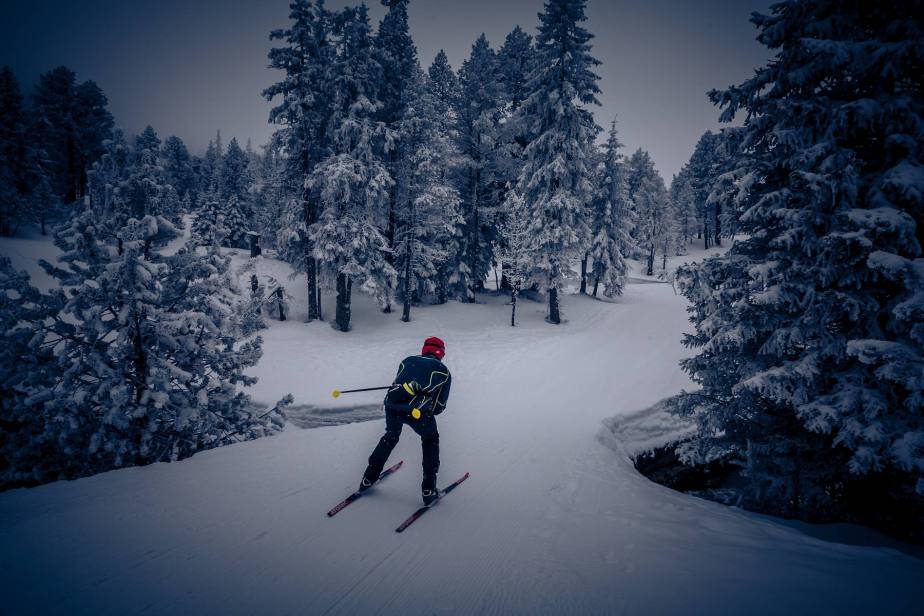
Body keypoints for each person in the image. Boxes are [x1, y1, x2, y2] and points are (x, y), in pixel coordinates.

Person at [360, 336, 452, 505]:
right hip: (418, 413)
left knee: (391, 436)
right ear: (441, 353)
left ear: (424, 349)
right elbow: (439, 406)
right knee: (430, 439)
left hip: (392, 406)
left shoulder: (407, 360)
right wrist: (428, 406)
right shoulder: (443, 372)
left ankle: (368, 477)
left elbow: (398, 384)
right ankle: (428, 489)